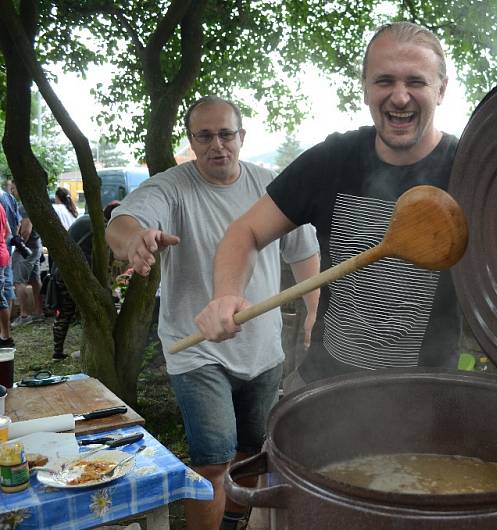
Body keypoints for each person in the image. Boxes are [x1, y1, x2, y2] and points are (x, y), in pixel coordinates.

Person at [195, 22, 461, 395]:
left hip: (424, 398)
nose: (400, 97)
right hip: (325, 387)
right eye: (384, 81)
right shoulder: (332, 161)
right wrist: (225, 293)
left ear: (441, 89)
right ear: (366, 89)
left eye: (416, 82)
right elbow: (246, 231)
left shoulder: (470, 172)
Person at [105, 95, 320, 530]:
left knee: (250, 456)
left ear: (242, 137)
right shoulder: (172, 187)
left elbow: (304, 250)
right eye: (204, 136)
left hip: (262, 349)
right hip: (196, 348)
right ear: (191, 140)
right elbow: (123, 221)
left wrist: (314, 312)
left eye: (226, 134)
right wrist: (134, 240)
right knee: (213, 462)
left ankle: (232, 524)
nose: (216, 145)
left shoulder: (269, 186)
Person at [50, 201, 121, 360]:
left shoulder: (85, 219)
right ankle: (88, 350)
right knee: (90, 310)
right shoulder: (100, 227)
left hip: (61, 271)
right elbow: (104, 259)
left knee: (65, 312)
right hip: (76, 275)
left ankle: (57, 352)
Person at [8, 180, 44, 328]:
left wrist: (19, 246)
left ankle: (24, 315)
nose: (11, 190)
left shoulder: (24, 207)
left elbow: (26, 229)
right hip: (36, 246)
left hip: (27, 248)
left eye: (13, 187)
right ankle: (38, 312)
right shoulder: (32, 203)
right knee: (35, 280)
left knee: (19, 281)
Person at [0, 186, 20, 348]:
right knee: (6, 288)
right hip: (4, 252)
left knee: (1, 296)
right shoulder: (4, 201)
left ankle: (5, 336)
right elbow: (9, 231)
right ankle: (5, 331)